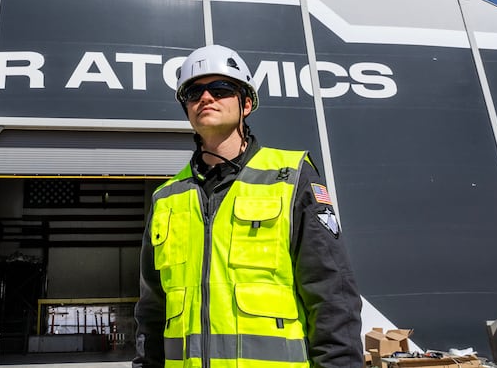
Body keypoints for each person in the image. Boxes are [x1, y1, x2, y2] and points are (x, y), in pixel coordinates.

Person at [133, 44, 362, 368]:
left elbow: (333, 296)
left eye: (220, 89)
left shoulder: (292, 177)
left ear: (247, 103)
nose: (206, 97)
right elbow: (152, 312)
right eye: (194, 92)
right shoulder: (166, 198)